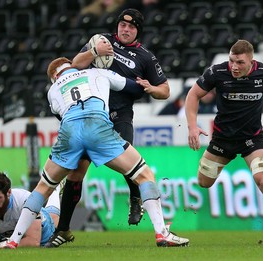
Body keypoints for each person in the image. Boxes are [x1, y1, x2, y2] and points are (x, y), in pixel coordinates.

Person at [0, 57, 189, 249]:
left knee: (43, 188)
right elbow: (133, 87)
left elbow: (60, 115)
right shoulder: (97, 72)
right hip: (96, 124)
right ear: (74, 66)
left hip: (69, 130)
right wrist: (147, 85)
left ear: (54, 76)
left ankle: (13, 241)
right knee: (144, 175)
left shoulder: (53, 90)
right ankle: (162, 233)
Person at [45, 8, 171, 248]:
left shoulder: (145, 57)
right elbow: (74, 65)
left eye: (131, 27)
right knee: (76, 173)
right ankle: (63, 229)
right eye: (122, 25)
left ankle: (136, 198)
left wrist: (151, 88)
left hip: (119, 115)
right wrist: (94, 52)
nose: (125, 29)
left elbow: (165, 90)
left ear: (138, 31)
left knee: (131, 164)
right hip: (89, 117)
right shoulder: (101, 40)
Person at [185, 39, 263, 245]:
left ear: (251, 62)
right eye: (231, 61)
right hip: (222, 140)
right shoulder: (217, 72)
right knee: (204, 182)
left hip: (252, 141)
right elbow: (193, 94)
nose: (234, 66)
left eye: (239, 62)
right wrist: (192, 126)